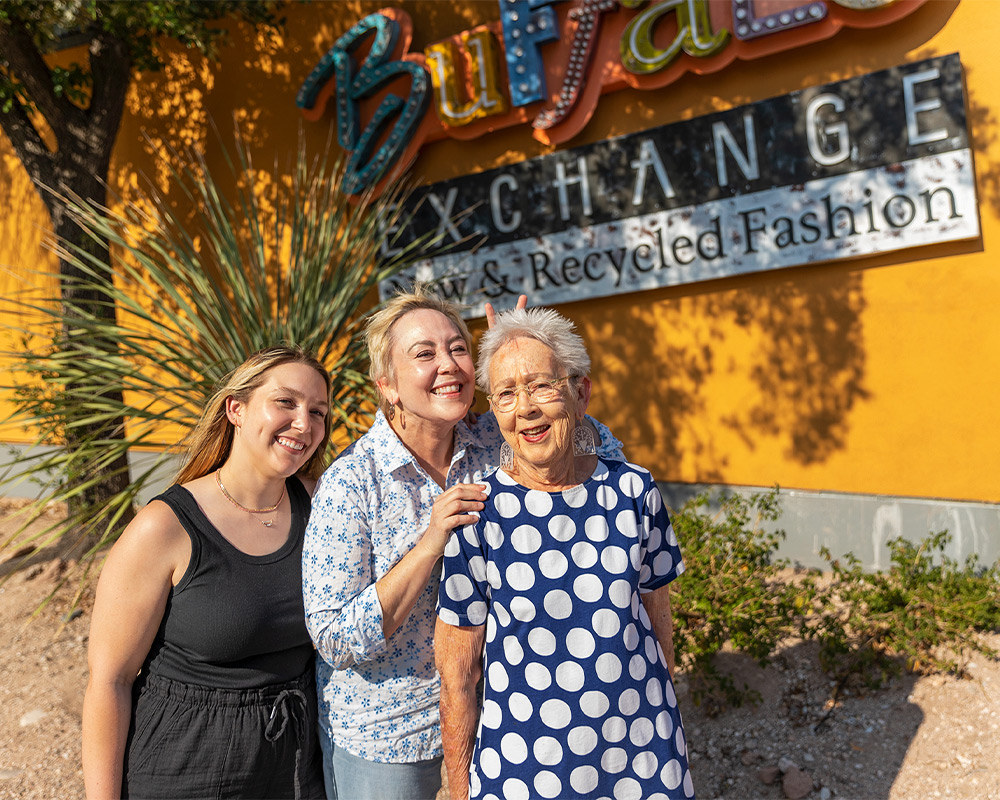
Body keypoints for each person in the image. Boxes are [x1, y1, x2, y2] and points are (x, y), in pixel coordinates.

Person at [302, 287, 623, 800]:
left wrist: (526, 358)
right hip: (392, 739)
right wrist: (430, 544)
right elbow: (334, 639)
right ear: (388, 387)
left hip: (499, 717)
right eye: (424, 354)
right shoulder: (353, 482)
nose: (448, 365)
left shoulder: (491, 444)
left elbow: (602, 451)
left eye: (457, 348)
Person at [436, 307, 695, 800]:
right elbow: (457, 673)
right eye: (506, 394)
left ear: (581, 393)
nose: (524, 408)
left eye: (540, 386)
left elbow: (658, 621)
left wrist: (667, 729)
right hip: (523, 766)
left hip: (642, 756)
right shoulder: (478, 514)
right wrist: (457, 784)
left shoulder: (634, 490)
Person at [82, 345, 330, 800]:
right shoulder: (165, 526)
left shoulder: (323, 506)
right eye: (286, 402)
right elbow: (109, 681)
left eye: (318, 411)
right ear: (236, 408)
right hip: (186, 766)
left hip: (295, 767)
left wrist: (502, 358)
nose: (304, 423)